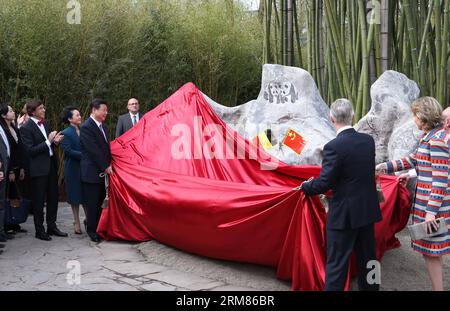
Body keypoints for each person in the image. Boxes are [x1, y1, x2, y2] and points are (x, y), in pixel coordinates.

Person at [300, 99, 382, 291]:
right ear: (353, 115)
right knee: (370, 260)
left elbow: (324, 182)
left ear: (331, 118)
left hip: (343, 215)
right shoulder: (368, 141)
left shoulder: (333, 147)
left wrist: (306, 186)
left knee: (336, 264)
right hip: (367, 211)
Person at [376, 97, 449, 291]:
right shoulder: (429, 137)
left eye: (415, 115)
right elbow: (412, 160)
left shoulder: (437, 141)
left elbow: (440, 180)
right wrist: (386, 167)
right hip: (427, 205)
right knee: (431, 252)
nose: (414, 119)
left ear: (423, 117)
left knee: (432, 252)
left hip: (433, 208)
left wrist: (431, 212)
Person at [20, 100, 67, 241]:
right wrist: (48, 141)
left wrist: (55, 142)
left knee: (53, 198)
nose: (44, 109)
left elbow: (49, 145)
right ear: (32, 112)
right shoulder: (26, 128)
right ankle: (39, 230)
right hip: (38, 169)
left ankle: (52, 226)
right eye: (41, 108)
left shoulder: (45, 123)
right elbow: (30, 151)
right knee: (39, 201)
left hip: (51, 166)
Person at [80, 99, 112, 243]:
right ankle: (92, 231)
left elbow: (106, 149)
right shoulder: (87, 126)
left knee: (100, 202)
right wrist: (106, 165)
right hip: (91, 172)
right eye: (103, 110)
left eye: (106, 110)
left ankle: (98, 228)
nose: (106, 113)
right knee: (92, 204)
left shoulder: (102, 127)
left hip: (100, 173)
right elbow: (93, 150)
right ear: (94, 110)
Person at [0, 103, 27, 234]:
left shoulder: (15, 128)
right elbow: (6, 153)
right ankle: (6, 224)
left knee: (16, 195)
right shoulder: (3, 130)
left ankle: (15, 221)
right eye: (10, 111)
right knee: (7, 196)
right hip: (8, 167)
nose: (13, 112)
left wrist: (21, 167)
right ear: (3, 115)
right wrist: (10, 170)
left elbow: (19, 149)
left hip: (18, 166)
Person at [60, 107, 87, 235]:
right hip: (72, 168)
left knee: (86, 195)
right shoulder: (65, 132)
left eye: (80, 114)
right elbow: (68, 151)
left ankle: (89, 219)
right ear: (70, 119)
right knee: (74, 196)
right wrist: (85, 155)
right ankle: (76, 221)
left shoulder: (84, 130)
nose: (80, 116)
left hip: (85, 167)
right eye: (77, 115)